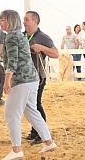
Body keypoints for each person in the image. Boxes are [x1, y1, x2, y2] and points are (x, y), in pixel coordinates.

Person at [0, 10, 57, 160]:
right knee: (32, 111)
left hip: (21, 81)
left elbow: (13, 61)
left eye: (3, 19)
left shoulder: (11, 36)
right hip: (32, 79)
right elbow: (12, 56)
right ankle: (48, 142)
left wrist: (6, 81)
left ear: (10, 21)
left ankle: (17, 150)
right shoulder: (19, 35)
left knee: (11, 114)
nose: (0, 22)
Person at [23, 11, 59, 145]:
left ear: (35, 22)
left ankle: (41, 135)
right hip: (26, 78)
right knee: (30, 105)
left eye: (26, 20)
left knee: (36, 105)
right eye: (24, 19)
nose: (24, 22)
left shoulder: (43, 37)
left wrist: (42, 48)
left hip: (38, 76)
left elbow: (56, 54)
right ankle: (35, 131)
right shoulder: (22, 36)